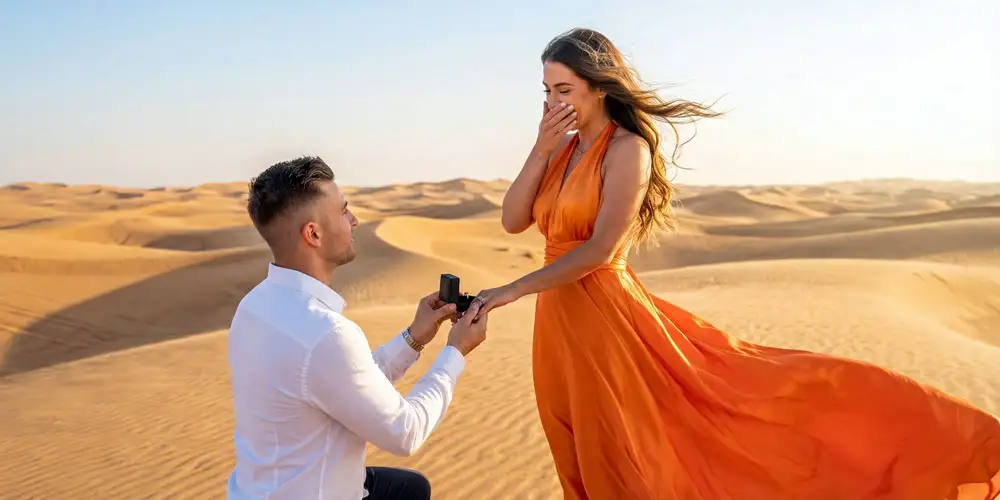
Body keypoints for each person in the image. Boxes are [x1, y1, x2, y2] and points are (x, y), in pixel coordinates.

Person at [472, 27, 1000, 499]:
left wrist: (511, 290)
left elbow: (602, 250)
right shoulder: (559, 152)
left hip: (607, 320)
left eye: (563, 90)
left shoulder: (627, 149)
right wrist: (540, 151)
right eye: (546, 91)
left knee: (626, 457)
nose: (552, 102)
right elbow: (514, 220)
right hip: (558, 325)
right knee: (575, 453)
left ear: (600, 88)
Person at [225, 156, 489, 500]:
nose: (354, 220)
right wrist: (455, 352)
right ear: (314, 234)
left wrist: (414, 338)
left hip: (259, 490)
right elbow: (405, 433)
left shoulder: (254, 306)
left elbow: (344, 379)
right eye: (343, 211)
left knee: (409, 487)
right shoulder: (324, 332)